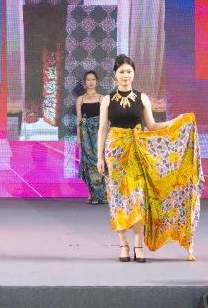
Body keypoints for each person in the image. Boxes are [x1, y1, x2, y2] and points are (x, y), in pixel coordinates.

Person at [97, 55, 201, 263]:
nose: (125, 75)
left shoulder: (142, 98)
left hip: (137, 153)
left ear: (133, 74)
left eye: (129, 71)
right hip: (115, 154)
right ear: (115, 74)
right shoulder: (107, 100)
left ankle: (138, 246)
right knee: (118, 199)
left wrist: (176, 121)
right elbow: (102, 130)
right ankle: (123, 246)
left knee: (138, 198)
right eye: (121, 72)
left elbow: (152, 126)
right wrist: (99, 158)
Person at [75, 70, 107, 204]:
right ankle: (92, 193)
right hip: (85, 135)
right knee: (89, 163)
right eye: (88, 79)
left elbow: (105, 120)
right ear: (85, 82)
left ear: (97, 81)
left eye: (93, 79)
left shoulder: (102, 98)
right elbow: (79, 120)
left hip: (99, 134)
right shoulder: (80, 99)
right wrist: (78, 138)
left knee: (101, 161)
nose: (90, 82)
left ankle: (102, 194)